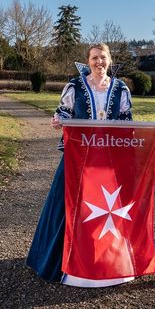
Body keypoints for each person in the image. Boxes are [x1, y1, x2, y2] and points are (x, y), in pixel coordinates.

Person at [26, 43, 134, 287]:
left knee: (108, 206)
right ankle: (67, 260)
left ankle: (109, 258)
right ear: (88, 61)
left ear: (110, 60)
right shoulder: (75, 85)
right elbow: (63, 112)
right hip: (78, 157)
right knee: (70, 205)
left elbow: (127, 121)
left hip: (109, 159)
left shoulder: (120, 88)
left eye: (103, 57)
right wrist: (58, 120)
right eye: (94, 58)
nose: (99, 62)